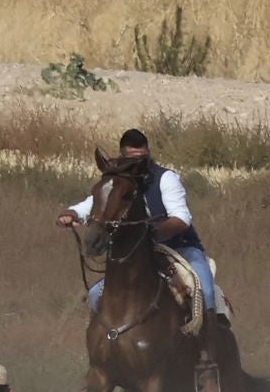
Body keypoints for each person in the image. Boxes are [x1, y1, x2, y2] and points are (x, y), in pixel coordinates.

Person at [57, 128, 224, 320]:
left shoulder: (165, 178)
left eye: (142, 159)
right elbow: (96, 203)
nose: (138, 164)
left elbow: (181, 218)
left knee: (205, 291)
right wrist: (72, 213)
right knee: (95, 296)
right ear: (123, 156)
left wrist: (152, 231)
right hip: (138, 253)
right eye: (132, 159)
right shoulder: (118, 182)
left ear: (148, 153)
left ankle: (211, 339)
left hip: (180, 249)